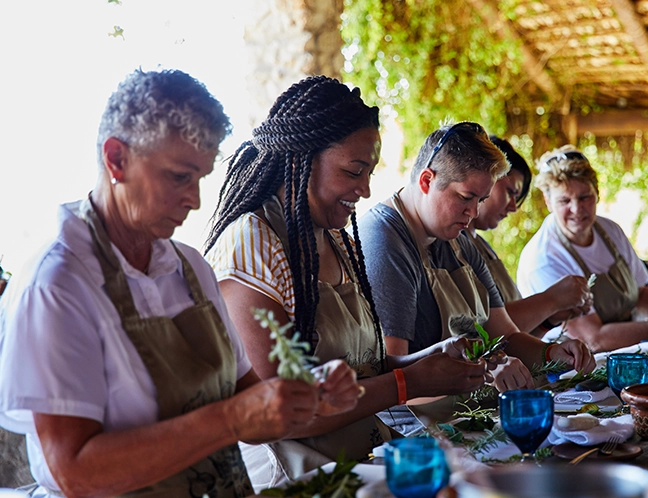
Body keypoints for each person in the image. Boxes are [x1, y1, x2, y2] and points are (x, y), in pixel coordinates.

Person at [0, 69, 362, 498]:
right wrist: (230, 419)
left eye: (200, 178)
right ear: (116, 159)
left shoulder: (189, 267)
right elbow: (73, 472)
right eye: (178, 176)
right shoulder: (59, 285)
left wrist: (313, 394)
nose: (194, 199)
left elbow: (254, 405)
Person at [204, 76, 489, 490]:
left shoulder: (335, 238)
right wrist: (409, 381)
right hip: (295, 478)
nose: (365, 189)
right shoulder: (253, 243)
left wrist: (429, 362)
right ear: (302, 159)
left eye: (369, 172)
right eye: (354, 171)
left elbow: (363, 369)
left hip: (360, 463)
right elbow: (278, 408)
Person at [358, 123, 596, 400]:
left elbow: (505, 335)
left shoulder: (457, 237)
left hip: (465, 408)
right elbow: (392, 371)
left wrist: (552, 353)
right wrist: (484, 367)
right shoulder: (385, 241)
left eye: (481, 200)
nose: (473, 212)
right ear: (426, 181)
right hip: (414, 424)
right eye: (465, 197)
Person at [516, 145, 648, 352]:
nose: (576, 209)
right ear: (548, 202)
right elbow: (594, 339)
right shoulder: (544, 258)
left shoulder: (609, 231)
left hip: (626, 353)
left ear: (597, 193)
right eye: (564, 200)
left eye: (584, 197)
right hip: (572, 368)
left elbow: (639, 294)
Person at [465, 137, 592, 338]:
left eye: (585, 197)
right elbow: (485, 330)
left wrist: (550, 319)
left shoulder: (482, 247)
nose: (514, 206)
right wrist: (551, 299)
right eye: (510, 192)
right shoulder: (451, 247)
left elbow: (513, 340)